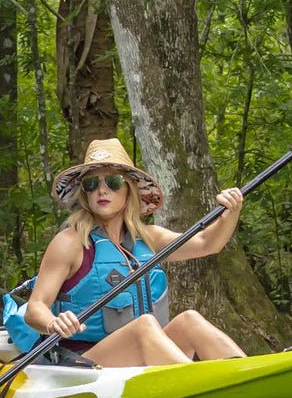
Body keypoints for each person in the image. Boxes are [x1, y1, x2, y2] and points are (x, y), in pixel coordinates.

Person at [23, 138, 246, 367]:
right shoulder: (71, 241)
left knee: (190, 320)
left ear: (128, 189)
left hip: (139, 354)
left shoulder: (149, 237)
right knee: (144, 326)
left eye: (112, 181)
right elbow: (35, 308)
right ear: (85, 194)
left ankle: (246, 374)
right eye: (91, 184)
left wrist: (231, 212)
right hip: (84, 362)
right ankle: (200, 385)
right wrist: (53, 323)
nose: (102, 190)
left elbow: (206, 243)